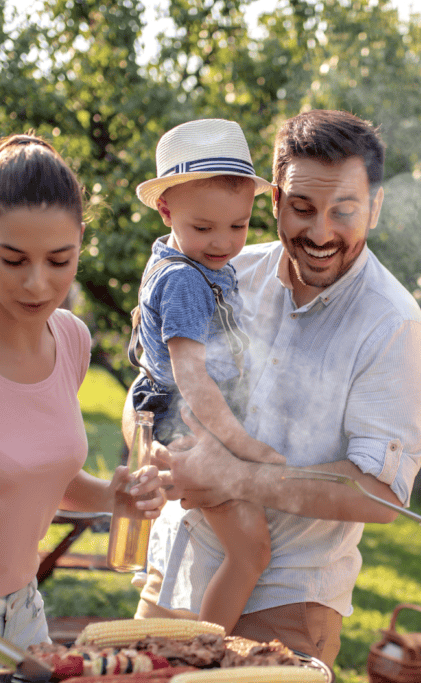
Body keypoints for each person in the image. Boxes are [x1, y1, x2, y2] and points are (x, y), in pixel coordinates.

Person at [128, 109, 421, 667]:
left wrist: (236, 476)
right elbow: (151, 385)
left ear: (376, 206)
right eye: (302, 209)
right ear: (272, 202)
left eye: (344, 211)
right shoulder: (221, 268)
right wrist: (153, 444)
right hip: (175, 572)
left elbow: (382, 494)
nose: (320, 233)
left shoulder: (393, 326)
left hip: (285, 604)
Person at [0, 134, 166, 683]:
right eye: (13, 261)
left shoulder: (72, 339)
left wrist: (114, 498)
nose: (38, 284)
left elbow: (42, 478)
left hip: (24, 614)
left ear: (81, 240)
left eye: (59, 260)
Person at [129, 118, 285, 634]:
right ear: (167, 209)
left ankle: (197, 641)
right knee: (250, 552)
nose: (222, 243)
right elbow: (191, 377)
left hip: (187, 417)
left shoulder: (189, 263)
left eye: (238, 226)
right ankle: (207, 653)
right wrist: (243, 445)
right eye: (204, 228)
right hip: (186, 421)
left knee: (243, 550)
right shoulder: (184, 282)